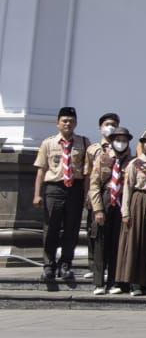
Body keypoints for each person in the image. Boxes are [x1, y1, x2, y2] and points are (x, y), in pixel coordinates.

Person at [32, 107, 90, 282]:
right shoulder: (48, 143)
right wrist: (37, 194)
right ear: (58, 123)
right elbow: (41, 171)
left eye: (71, 121)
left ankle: (66, 264)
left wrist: (87, 194)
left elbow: (87, 173)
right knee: (51, 229)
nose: (68, 124)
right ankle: (49, 265)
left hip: (75, 189)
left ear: (76, 123)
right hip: (54, 189)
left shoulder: (83, 142)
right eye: (64, 121)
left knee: (72, 229)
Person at [117, 130, 146, 296]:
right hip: (138, 201)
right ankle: (134, 280)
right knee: (135, 240)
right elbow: (127, 188)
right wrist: (126, 211)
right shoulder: (134, 164)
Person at [87, 127, 131, 294]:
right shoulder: (103, 159)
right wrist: (98, 209)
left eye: (124, 140)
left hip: (121, 203)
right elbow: (94, 185)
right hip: (105, 200)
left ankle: (114, 281)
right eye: (117, 139)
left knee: (116, 244)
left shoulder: (131, 162)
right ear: (112, 141)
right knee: (100, 243)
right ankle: (98, 282)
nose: (121, 143)